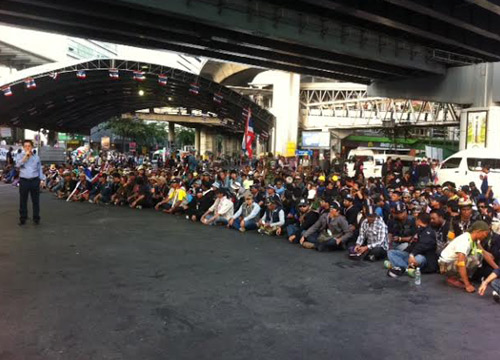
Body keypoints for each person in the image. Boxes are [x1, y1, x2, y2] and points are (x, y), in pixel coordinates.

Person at [438, 221, 491, 293]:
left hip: (452, 263)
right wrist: (467, 285)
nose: (485, 236)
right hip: (445, 265)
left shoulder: (474, 240)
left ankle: (460, 278)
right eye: (485, 233)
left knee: (479, 254)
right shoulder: (465, 240)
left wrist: (497, 269)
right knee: (474, 259)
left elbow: (484, 253)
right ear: (478, 231)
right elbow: (461, 262)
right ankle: (453, 278)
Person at [386, 213, 438, 278]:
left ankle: (400, 266)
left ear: (419, 221)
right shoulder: (418, 230)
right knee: (391, 253)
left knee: (418, 258)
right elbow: (412, 243)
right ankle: (407, 269)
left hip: (423, 257)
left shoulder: (429, 232)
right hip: (411, 255)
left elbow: (422, 246)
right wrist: (406, 253)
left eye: (416, 220)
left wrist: (412, 254)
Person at [16, 140, 45, 225]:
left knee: (35, 200)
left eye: (29, 146)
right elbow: (17, 165)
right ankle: (23, 218)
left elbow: (40, 169)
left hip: (35, 180)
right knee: (23, 200)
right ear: (23, 147)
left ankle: (36, 218)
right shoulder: (19, 156)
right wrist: (25, 157)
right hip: (24, 180)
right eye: (25, 146)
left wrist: (42, 179)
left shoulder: (37, 157)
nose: (27, 147)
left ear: (32, 147)